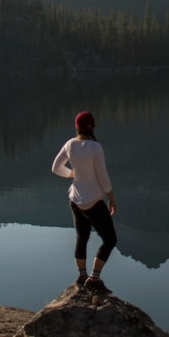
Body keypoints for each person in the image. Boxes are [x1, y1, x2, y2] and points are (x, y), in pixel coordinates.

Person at [52, 110, 117, 293]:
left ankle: (82, 276)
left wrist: (72, 173)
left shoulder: (70, 144)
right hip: (94, 201)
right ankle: (94, 278)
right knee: (110, 239)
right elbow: (103, 177)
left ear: (77, 126)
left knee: (82, 237)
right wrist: (111, 198)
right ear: (92, 126)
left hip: (75, 200)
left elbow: (55, 167)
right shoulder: (95, 148)